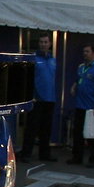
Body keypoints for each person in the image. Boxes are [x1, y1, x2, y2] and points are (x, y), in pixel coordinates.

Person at [68, 43, 94, 168]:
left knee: (91, 135)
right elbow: (78, 79)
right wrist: (74, 87)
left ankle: (93, 159)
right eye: (84, 51)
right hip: (80, 105)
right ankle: (77, 157)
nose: (85, 54)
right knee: (77, 133)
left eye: (87, 51)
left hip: (91, 106)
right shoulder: (81, 67)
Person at [23, 33, 57, 161]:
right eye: (41, 42)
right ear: (39, 44)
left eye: (45, 42)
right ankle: (26, 154)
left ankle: (44, 154)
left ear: (50, 44)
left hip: (50, 99)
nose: (43, 44)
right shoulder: (34, 59)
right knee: (32, 127)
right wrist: (30, 96)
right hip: (36, 99)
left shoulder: (53, 60)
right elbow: (28, 78)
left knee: (46, 128)